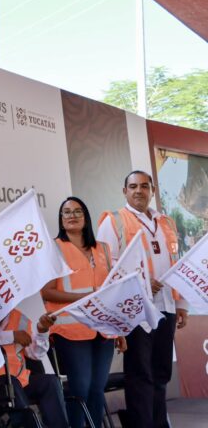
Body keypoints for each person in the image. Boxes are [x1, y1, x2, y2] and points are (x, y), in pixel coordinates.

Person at [97, 170, 189, 428]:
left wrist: (180, 303)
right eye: (133, 186)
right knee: (140, 374)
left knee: (161, 372)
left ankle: (160, 424)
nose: (139, 191)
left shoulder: (166, 222)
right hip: (136, 309)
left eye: (144, 186)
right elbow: (107, 267)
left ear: (152, 190)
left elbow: (175, 263)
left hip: (166, 307)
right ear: (124, 191)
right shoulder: (114, 221)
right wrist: (140, 282)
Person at [41, 196, 126, 428]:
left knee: (98, 390)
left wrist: (120, 330)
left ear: (86, 217)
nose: (72, 216)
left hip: (104, 330)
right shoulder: (53, 249)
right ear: (61, 219)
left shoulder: (104, 250)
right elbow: (46, 292)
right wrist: (85, 298)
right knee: (81, 389)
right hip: (71, 330)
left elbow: (112, 292)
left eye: (77, 211)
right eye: (66, 212)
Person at [0, 310, 69, 428]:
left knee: (50, 381)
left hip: (20, 379)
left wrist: (42, 331)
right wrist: (11, 336)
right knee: (10, 382)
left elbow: (35, 354)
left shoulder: (19, 318)